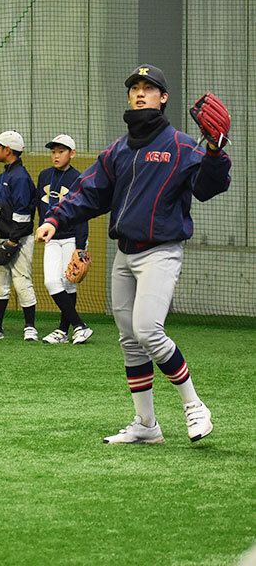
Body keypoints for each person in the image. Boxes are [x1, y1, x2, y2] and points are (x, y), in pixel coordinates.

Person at [36, 64, 231, 444]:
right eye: (135, 87)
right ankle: (146, 425)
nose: (140, 92)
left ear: (163, 97)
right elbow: (89, 191)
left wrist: (215, 151)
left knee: (147, 330)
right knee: (128, 339)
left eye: (149, 87)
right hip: (124, 255)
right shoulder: (118, 150)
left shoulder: (181, 145)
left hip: (161, 252)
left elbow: (209, 187)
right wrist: (56, 220)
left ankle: (194, 406)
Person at [35, 134, 93, 344]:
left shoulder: (79, 179)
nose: (56, 155)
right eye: (53, 151)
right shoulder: (44, 176)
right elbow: (39, 206)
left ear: (72, 153)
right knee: (51, 282)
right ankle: (79, 325)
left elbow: (82, 214)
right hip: (52, 238)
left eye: (61, 151)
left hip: (71, 238)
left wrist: (80, 247)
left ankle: (63, 331)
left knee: (69, 284)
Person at [0, 130, 38, 341]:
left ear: (8, 150)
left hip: (20, 239)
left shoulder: (21, 178)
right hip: (0, 237)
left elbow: (24, 213)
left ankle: (30, 327)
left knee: (22, 282)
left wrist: (13, 241)